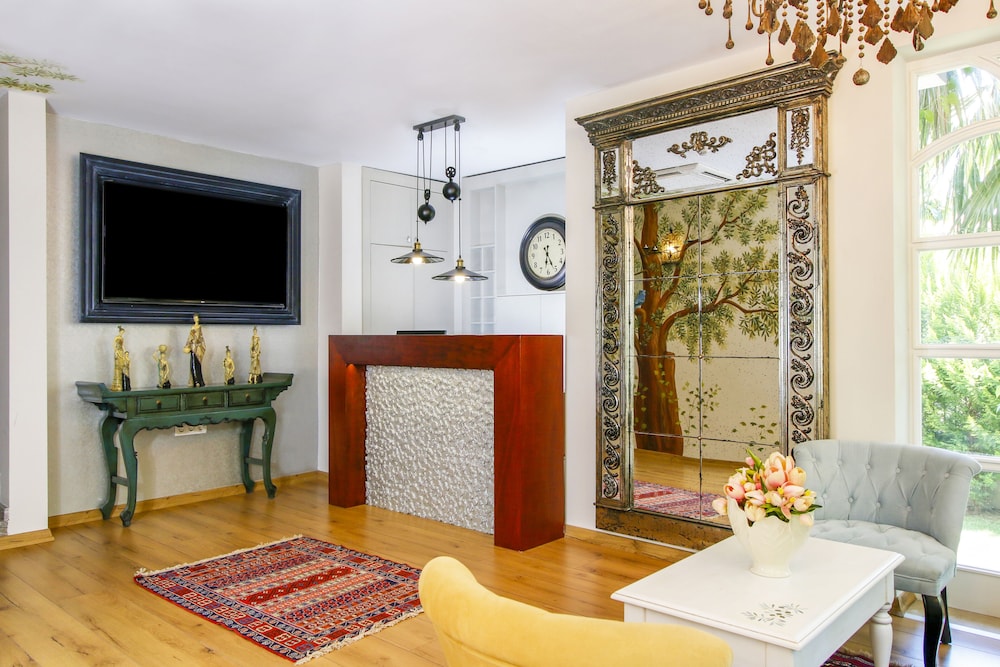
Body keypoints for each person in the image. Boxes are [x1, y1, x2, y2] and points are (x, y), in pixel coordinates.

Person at [183, 314, 206, 387]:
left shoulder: (199, 327)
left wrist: (199, 344)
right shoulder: (192, 328)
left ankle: (199, 380)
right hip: (193, 348)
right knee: (193, 365)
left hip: (198, 349)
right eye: (194, 318)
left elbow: (201, 339)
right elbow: (190, 338)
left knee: (198, 365)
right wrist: (187, 346)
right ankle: (195, 380)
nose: (195, 319)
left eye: (196, 318)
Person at [112, 325, 127, 391]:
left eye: (123, 332)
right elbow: (114, 345)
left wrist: (125, 351)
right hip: (117, 352)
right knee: (117, 367)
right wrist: (115, 351)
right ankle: (116, 384)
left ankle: (120, 383)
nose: (122, 333)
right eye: (122, 332)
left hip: (121, 352)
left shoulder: (122, 338)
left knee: (121, 367)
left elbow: (123, 346)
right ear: (120, 331)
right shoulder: (117, 337)